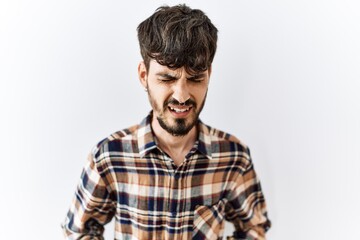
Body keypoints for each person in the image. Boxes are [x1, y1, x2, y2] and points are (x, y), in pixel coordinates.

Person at [62, 4, 271, 240]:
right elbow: (78, 231)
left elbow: (254, 228)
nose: (181, 96)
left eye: (194, 79)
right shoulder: (108, 156)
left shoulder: (235, 157)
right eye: (167, 78)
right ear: (144, 76)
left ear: (208, 76)